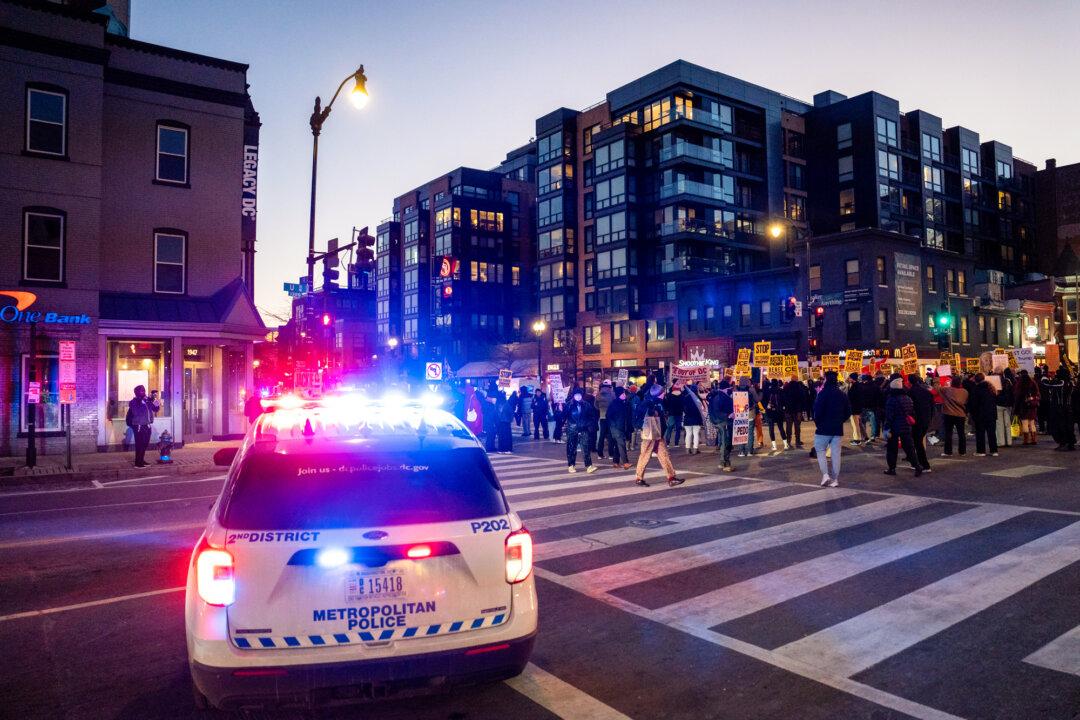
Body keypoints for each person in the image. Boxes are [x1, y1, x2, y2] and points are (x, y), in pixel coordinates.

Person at [634, 384, 682, 487]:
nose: (664, 393)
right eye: (662, 392)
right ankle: (639, 478)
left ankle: (671, 477)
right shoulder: (653, 404)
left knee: (663, 455)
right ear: (660, 393)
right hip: (651, 435)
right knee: (645, 456)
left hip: (656, 434)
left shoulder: (650, 402)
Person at [812, 371, 851, 487]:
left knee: (820, 450)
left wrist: (818, 423)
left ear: (826, 380)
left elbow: (817, 411)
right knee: (835, 454)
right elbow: (848, 412)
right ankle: (835, 479)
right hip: (837, 428)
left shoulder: (822, 393)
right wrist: (840, 421)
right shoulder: (842, 394)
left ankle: (825, 475)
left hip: (823, 428)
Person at [883, 377, 921, 476]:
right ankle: (917, 466)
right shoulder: (908, 398)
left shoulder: (891, 399)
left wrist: (886, 428)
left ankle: (892, 468)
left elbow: (889, 416)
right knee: (909, 448)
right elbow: (912, 412)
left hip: (894, 427)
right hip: (906, 426)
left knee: (892, 449)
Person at [125, 385, 161, 468]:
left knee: (145, 444)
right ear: (137, 392)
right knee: (139, 444)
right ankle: (138, 463)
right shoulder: (133, 402)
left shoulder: (147, 401)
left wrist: (154, 400)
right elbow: (137, 412)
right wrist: (143, 401)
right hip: (138, 426)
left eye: (144, 390)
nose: (144, 392)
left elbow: (156, 409)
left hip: (147, 425)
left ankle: (141, 460)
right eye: (141, 391)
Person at [1042, 367, 1076, 451]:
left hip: (1060, 408)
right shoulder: (1071, 382)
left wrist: (1043, 378)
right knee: (1067, 427)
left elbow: (1048, 384)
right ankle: (1069, 443)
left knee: (1060, 426)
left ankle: (1064, 443)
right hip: (1067, 408)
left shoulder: (1062, 382)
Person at [564, 390, 598, 473]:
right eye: (576, 395)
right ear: (573, 396)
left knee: (585, 447)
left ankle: (589, 465)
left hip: (584, 429)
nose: (578, 396)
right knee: (571, 448)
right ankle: (571, 465)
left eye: (579, 395)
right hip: (572, 429)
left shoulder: (586, 405)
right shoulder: (569, 405)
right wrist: (560, 410)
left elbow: (592, 416)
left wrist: (588, 425)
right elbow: (563, 416)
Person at [908, 374, 933, 473]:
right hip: (926, 419)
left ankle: (924, 465)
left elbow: (910, 407)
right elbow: (932, 405)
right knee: (918, 441)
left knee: (917, 443)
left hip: (916, 420)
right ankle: (917, 462)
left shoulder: (911, 392)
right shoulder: (926, 391)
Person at [969, 373, 999, 457]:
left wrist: (973, 414)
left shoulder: (976, 389)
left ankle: (981, 451)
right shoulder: (991, 388)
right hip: (991, 414)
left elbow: (973, 404)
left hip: (980, 415)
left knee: (980, 433)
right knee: (992, 433)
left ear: (976, 380)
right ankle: (994, 450)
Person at [710, 379, 735, 472]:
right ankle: (726, 463)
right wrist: (729, 415)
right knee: (726, 442)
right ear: (725, 389)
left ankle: (722, 462)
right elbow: (717, 411)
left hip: (721, 422)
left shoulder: (718, 396)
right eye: (729, 388)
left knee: (725, 442)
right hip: (723, 422)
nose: (730, 389)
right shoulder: (720, 397)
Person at [940, 375, 969, 456]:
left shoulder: (947, 389)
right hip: (960, 414)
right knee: (961, 433)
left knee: (948, 433)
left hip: (949, 414)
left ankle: (948, 451)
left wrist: (937, 379)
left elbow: (937, 388)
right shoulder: (965, 392)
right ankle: (962, 451)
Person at [606, 386, 631, 469]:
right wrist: (614, 425)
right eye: (623, 393)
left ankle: (616, 462)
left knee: (617, 445)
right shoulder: (614, 404)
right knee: (621, 444)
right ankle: (625, 462)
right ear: (619, 394)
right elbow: (608, 416)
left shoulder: (623, 403)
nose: (624, 395)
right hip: (616, 428)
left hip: (621, 427)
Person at [1013, 369, 1040, 446]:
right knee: (1032, 423)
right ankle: (1034, 439)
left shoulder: (1020, 383)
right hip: (1032, 405)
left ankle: (1026, 440)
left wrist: (1016, 408)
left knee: (1025, 423)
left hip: (1023, 406)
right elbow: (1038, 393)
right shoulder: (1033, 382)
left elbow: (1017, 395)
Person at [737, 377, 760, 457]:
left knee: (740, 432)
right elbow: (757, 399)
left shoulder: (736, 389)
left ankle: (741, 451)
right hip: (750, 412)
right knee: (750, 432)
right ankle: (750, 451)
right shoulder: (751, 389)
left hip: (739, 413)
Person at [763, 379, 789, 451]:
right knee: (781, 428)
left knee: (771, 429)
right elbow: (784, 401)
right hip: (779, 411)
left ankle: (774, 446)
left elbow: (763, 400)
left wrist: (766, 407)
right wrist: (783, 408)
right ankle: (785, 444)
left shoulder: (768, 391)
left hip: (770, 411)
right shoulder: (781, 390)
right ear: (777, 383)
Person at [782, 375, 806, 448]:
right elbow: (802, 398)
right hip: (797, 410)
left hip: (788, 410)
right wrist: (801, 409)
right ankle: (797, 441)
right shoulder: (799, 387)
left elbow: (783, 398)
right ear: (796, 379)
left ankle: (788, 441)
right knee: (797, 426)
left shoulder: (786, 387)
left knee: (788, 426)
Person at [682, 382, 706, 454]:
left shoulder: (685, 397)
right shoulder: (698, 398)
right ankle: (695, 449)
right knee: (696, 434)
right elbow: (702, 408)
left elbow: (683, 407)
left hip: (687, 418)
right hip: (696, 418)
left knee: (688, 434)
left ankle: (687, 449)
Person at [995, 369, 1015, 448]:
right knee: (1007, 424)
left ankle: (1001, 442)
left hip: (999, 404)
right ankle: (1009, 441)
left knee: (999, 424)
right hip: (1008, 405)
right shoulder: (1008, 381)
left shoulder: (995, 382)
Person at [595, 380, 615, 459]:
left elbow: (595, 405)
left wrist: (601, 409)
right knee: (610, 436)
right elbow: (614, 404)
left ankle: (600, 454)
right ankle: (611, 454)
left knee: (602, 436)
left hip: (602, 416)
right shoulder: (612, 394)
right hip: (610, 417)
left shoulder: (598, 394)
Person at [847, 373, 863, 445]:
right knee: (856, 424)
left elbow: (852, 397)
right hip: (856, 408)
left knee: (855, 424)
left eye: (850, 378)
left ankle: (857, 439)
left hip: (854, 408)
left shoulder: (855, 386)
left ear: (852, 378)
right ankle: (857, 438)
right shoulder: (857, 385)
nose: (848, 379)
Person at [481, 388, 498, 452]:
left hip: (489, 422)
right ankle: (490, 447)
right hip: (489, 422)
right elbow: (491, 414)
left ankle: (491, 447)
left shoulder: (487, 404)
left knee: (491, 435)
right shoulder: (489, 405)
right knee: (491, 435)